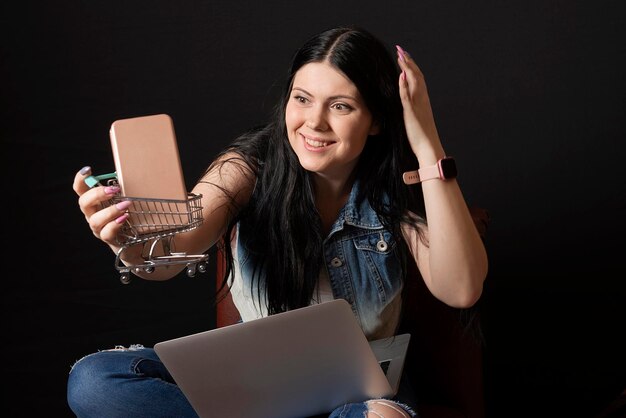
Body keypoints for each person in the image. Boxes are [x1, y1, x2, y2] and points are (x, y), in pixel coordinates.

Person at [68, 26, 488, 418]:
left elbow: (461, 288)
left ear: (376, 119)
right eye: (302, 99)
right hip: (249, 383)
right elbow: (169, 256)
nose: (314, 122)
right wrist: (124, 236)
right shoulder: (246, 167)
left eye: (340, 106)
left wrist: (426, 140)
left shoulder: (395, 188)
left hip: (358, 393)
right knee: (95, 383)